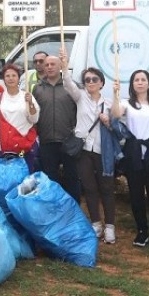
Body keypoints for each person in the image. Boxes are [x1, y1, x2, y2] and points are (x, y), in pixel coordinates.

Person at [61, 60, 117, 245]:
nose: (91, 82)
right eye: (87, 80)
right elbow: (68, 83)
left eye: (94, 79)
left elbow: (118, 125)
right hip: (84, 150)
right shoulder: (80, 97)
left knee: (106, 188)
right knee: (90, 188)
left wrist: (108, 121)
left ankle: (110, 227)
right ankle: (96, 224)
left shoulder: (109, 103)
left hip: (103, 151)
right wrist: (64, 66)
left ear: (101, 82)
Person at [112, 70, 149, 250]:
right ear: (132, 84)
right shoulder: (126, 104)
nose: (140, 82)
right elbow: (115, 114)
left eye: (143, 79)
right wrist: (115, 94)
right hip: (133, 152)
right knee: (136, 194)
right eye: (136, 80)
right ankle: (142, 231)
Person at [32, 54, 81, 201]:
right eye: (46, 64)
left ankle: (74, 208)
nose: (49, 67)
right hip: (46, 140)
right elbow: (34, 113)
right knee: (50, 178)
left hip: (68, 140)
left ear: (60, 66)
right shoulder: (38, 89)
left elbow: (79, 109)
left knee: (72, 177)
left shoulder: (70, 87)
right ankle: (53, 208)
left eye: (53, 64)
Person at [0, 64, 40, 167]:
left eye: (14, 75)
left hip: (23, 147)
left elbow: (34, 119)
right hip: (1, 147)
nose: (11, 78)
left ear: (18, 78)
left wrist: (30, 103)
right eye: (7, 76)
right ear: (4, 79)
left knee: (23, 173)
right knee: (5, 175)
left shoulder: (27, 96)